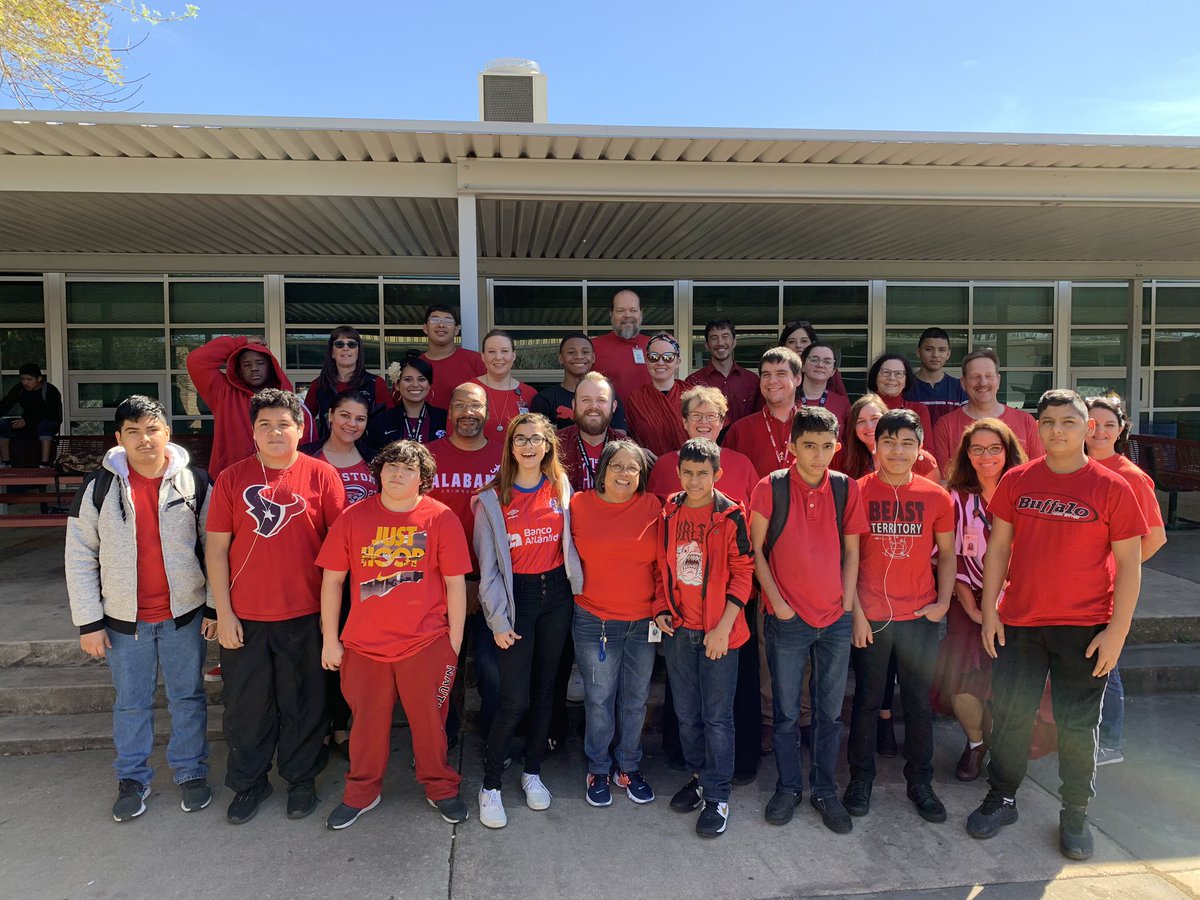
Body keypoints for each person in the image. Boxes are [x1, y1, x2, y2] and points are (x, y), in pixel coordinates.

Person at [966, 389, 1146, 862]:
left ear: (1087, 428)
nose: (1057, 430)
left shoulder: (1113, 487)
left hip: (1086, 627)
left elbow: (1131, 565)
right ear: (1037, 428)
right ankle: (1002, 797)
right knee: (1010, 716)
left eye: (1068, 421)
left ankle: (1075, 810)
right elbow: (999, 549)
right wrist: (989, 611)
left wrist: (1117, 632)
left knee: (1076, 724)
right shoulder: (1017, 480)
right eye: (1047, 422)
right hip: (1020, 623)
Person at [65, 395, 214, 822]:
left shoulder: (196, 482)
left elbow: (216, 548)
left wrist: (214, 608)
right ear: (119, 438)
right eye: (132, 432)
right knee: (131, 701)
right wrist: (89, 622)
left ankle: (190, 772)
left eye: (152, 429)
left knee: (188, 696)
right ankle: (132, 777)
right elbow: (79, 556)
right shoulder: (99, 487)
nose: (144, 439)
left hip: (183, 616)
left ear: (167, 432)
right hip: (122, 622)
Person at [206, 388, 346, 825]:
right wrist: (222, 612)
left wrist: (331, 623)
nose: (274, 432)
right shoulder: (232, 478)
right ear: (253, 432)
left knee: (304, 703)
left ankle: (301, 778)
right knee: (246, 706)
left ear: (301, 429)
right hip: (245, 617)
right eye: (264, 425)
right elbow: (215, 550)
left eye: (284, 424)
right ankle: (249, 782)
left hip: (304, 614)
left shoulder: (322, 476)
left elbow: (338, 555)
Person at [316, 440, 471, 829]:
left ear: (423, 478)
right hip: (364, 646)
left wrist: (452, 644)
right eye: (391, 467)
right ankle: (361, 793)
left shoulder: (441, 518)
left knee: (431, 725)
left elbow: (456, 585)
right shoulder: (353, 517)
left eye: (408, 469)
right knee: (365, 726)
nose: (398, 474)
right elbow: (332, 581)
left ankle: (440, 787)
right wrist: (330, 639)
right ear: (379, 472)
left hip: (426, 644)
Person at [751, 406, 868, 835]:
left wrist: (847, 604)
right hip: (788, 617)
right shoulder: (772, 487)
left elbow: (853, 551)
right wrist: (777, 601)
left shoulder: (845, 488)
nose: (818, 456)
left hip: (835, 616)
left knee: (829, 712)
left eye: (826, 447)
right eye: (808, 447)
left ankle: (823, 789)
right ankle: (788, 787)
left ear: (837, 446)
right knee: (784, 711)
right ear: (792, 447)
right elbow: (755, 550)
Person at [844, 408, 957, 825]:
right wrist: (855, 613)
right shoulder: (857, 491)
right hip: (871, 615)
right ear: (875, 445)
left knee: (917, 703)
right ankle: (860, 778)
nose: (897, 450)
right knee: (868, 702)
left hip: (919, 616)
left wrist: (943, 603)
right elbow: (849, 557)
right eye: (889, 441)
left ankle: (920, 780)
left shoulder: (935, 496)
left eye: (907, 442)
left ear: (919, 448)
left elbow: (947, 554)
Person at [472, 413, 582, 829]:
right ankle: (491, 785)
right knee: (514, 698)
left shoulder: (561, 488)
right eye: (521, 439)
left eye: (537, 438)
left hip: (556, 595)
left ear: (549, 444)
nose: (529, 446)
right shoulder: (490, 499)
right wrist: (497, 620)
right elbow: (489, 570)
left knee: (546, 691)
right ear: (511, 446)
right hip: (516, 600)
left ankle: (532, 771)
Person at [654, 437, 755, 838]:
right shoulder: (669, 510)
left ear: (717, 474)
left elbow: (743, 573)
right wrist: (663, 605)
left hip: (719, 634)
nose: (695, 481)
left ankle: (717, 795)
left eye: (703, 474)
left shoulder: (731, 515)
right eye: (688, 473)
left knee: (717, 718)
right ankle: (699, 777)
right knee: (687, 714)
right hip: (680, 630)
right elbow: (661, 566)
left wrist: (723, 627)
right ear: (678, 473)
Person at [933, 418, 1027, 782]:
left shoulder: (1024, 491)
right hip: (967, 600)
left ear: (1007, 451)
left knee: (1011, 680)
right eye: (977, 449)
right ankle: (975, 743)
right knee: (961, 681)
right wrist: (972, 607)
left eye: (994, 448)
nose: (986, 456)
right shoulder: (956, 497)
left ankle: (1006, 745)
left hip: (1018, 602)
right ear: (966, 455)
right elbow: (949, 555)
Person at [570, 439, 664, 808]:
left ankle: (628, 766)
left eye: (633, 468)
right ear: (602, 470)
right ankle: (597, 766)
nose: (625, 473)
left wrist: (660, 607)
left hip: (643, 621)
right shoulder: (577, 505)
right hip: (595, 619)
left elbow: (662, 564)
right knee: (598, 699)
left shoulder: (653, 506)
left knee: (636, 699)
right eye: (617, 466)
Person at [1085, 395, 1167, 766]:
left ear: (1121, 430)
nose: (1099, 431)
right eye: (1091, 423)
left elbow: (1155, 536)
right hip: (1076, 584)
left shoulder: (1131, 476)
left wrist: (1121, 570)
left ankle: (1110, 743)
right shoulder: (1074, 467)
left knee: (1107, 660)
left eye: (1107, 425)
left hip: (1107, 588)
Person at [300, 391, 378, 759]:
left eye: (359, 419)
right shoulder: (307, 457)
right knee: (317, 652)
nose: (351, 424)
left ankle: (345, 725)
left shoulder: (375, 459)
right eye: (344, 415)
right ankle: (316, 727)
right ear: (330, 415)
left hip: (362, 575)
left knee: (351, 653)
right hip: (313, 568)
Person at [427, 383, 504, 747]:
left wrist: (478, 582)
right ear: (450, 411)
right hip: (438, 582)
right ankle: (443, 738)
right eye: (460, 405)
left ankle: (493, 740)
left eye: (476, 406)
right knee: (443, 669)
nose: (468, 413)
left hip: (493, 580)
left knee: (492, 668)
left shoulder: (506, 457)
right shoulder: (427, 456)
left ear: (487, 412)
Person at [185, 335, 315, 478]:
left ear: (271, 367)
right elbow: (197, 360)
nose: (254, 368)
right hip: (230, 480)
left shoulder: (292, 406)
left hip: (279, 482)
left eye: (260, 363)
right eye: (247, 365)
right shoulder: (224, 393)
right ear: (238, 370)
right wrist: (240, 342)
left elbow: (308, 452)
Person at [931, 349, 1043, 466]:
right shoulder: (945, 425)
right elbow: (943, 480)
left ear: (998, 380)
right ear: (963, 383)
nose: (983, 383)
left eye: (989, 376)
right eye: (975, 377)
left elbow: (1037, 472)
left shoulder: (1026, 421)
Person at [648, 386, 759, 505]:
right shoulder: (663, 465)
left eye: (711, 416)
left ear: (722, 422)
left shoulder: (742, 464)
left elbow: (759, 510)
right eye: (696, 415)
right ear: (685, 422)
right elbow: (651, 512)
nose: (704, 421)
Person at [724, 347, 803, 478]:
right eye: (766, 375)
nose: (772, 381)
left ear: (798, 379)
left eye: (781, 374)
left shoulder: (816, 425)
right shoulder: (740, 430)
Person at [303, 327, 393, 439]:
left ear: (358, 352)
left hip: (367, 451)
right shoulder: (318, 385)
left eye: (351, 344)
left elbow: (390, 421)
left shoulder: (375, 383)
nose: (345, 348)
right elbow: (304, 422)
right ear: (332, 353)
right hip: (327, 450)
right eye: (339, 344)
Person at [530, 332, 629, 431]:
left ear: (593, 358)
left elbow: (618, 439)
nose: (579, 356)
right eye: (571, 352)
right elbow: (541, 440)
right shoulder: (545, 399)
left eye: (585, 352)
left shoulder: (608, 398)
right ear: (561, 358)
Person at [835, 394, 940, 482]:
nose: (869, 426)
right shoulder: (850, 461)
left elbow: (934, 500)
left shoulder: (921, 459)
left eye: (875, 418)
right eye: (861, 421)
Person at [558, 372, 628, 492]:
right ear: (574, 405)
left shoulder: (629, 450)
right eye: (586, 400)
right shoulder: (554, 446)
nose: (593, 406)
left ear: (613, 406)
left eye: (601, 400)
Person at [623, 332, 690, 456]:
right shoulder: (635, 399)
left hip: (691, 468)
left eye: (668, 357)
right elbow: (626, 437)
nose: (660, 362)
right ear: (647, 361)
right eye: (653, 357)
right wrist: (638, 451)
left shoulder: (692, 394)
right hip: (651, 469)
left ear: (678, 362)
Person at [684, 319, 760, 425]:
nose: (720, 343)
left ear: (734, 342)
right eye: (714, 338)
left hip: (744, 441)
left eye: (725, 337)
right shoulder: (693, 381)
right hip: (707, 440)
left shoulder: (752, 381)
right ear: (707, 345)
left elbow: (759, 419)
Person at [372, 351, 448, 446]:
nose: (415, 385)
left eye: (421, 379)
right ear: (397, 385)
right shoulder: (381, 421)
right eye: (408, 379)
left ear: (429, 385)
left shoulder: (444, 419)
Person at [419, 304, 486, 410]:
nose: (441, 325)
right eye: (435, 320)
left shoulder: (476, 361)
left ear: (456, 330)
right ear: (425, 328)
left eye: (448, 321)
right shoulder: (415, 366)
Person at [590, 289, 652, 401]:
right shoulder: (593, 347)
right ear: (611, 314)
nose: (627, 315)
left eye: (633, 310)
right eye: (620, 310)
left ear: (641, 313)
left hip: (649, 416)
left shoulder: (655, 346)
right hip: (610, 417)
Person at [476, 329, 537, 438]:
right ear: (483, 356)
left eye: (504, 351)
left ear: (513, 355)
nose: (498, 357)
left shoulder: (529, 393)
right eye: (491, 351)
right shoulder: (467, 391)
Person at [0, 362, 62, 466]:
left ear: (39, 379)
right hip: (26, 422)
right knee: (3, 425)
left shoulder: (50, 390)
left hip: (47, 422)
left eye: (29, 379)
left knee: (45, 425)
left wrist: (27, 421)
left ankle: (44, 463)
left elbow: (51, 413)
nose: (25, 383)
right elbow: (6, 404)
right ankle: (5, 462)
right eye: (23, 379)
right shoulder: (19, 389)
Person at [906, 327, 968, 427]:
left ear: (948, 354)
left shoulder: (960, 388)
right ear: (918, 352)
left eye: (942, 350)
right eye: (929, 349)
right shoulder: (905, 387)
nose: (935, 355)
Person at [866, 353, 934, 440]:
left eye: (898, 374)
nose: (892, 378)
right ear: (875, 377)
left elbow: (928, 449)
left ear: (906, 381)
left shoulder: (919, 410)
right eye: (886, 372)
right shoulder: (862, 410)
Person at [780, 322, 848, 396]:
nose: (798, 345)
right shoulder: (776, 369)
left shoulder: (826, 369)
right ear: (784, 346)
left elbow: (843, 402)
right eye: (792, 342)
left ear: (813, 343)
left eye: (804, 341)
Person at [798, 343, 852, 434]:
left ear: (833, 371)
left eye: (827, 362)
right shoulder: (789, 400)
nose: (820, 365)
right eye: (814, 360)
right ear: (802, 365)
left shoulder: (842, 404)